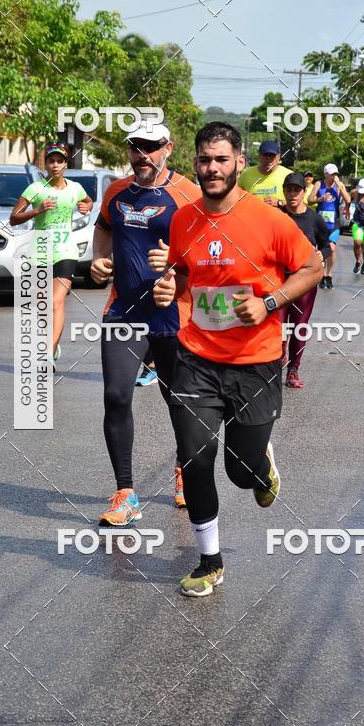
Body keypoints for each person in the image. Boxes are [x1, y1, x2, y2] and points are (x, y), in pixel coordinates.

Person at [153, 122, 323, 597]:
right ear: (195, 162)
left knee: (240, 471)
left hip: (256, 362)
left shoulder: (269, 220)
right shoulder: (183, 220)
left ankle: (260, 464)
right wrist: (170, 288)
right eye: (205, 159)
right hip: (196, 357)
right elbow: (183, 275)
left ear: (239, 164)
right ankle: (209, 561)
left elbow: (313, 267)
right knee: (195, 457)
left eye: (221, 160)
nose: (212, 168)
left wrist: (269, 302)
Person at [91, 120, 201, 521]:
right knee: (116, 395)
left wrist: (175, 263)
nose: (142, 155)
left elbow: (209, 250)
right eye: (135, 147)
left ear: (168, 148)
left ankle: (185, 470)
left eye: (150, 147)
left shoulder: (188, 194)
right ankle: (126, 494)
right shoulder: (116, 192)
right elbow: (103, 229)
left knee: (179, 400)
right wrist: (98, 260)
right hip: (124, 310)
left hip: (174, 314)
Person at [10, 142, 92, 362]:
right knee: (43, 305)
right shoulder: (35, 189)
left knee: (56, 301)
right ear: (45, 164)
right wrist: (37, 210)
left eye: (60, 161)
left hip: (66, 250)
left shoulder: (75, 188)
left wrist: (87, 207)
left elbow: (88, 201)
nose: (55, 165)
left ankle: (48, 353)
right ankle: (52, 345)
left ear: (66, 164)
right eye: (51, 161)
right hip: (40, 250)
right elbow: (14, 218)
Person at [279, 172, 331, 389]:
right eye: (289, 190)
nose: (293, 194)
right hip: (279, 282)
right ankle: (277, 360)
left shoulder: (314, 219)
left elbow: (327, 244)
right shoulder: (277, 216)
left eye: (297, 190)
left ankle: (293, 369)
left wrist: (322, 254)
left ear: (304, 192)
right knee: (278, 326)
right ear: (284, 191)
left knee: (299, 327)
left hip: (305, 283)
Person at [307, 163, 350, 288]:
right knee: (321, 250)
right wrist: (320, 199)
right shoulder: (319, 184)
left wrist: (339, 185)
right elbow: (309, 200)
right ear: (325, 174)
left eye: (335, 174)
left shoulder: (339, 185)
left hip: (334, 223)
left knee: (331, 248)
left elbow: (348, 200)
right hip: (320, 223)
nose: (333, 177)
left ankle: (329, 275)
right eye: (331, 174)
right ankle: (321, 274)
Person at [238, 139, 291, 206]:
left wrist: (279, 202)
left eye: (272, 155)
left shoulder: (288, 175)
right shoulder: (246, 173)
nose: (268, 158)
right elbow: (235, 198)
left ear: (278, 157)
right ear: (259, 156)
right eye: (265, 155)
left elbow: (300, 202)